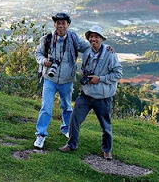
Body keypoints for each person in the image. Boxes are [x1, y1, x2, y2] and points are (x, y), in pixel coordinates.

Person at [59, 25, 122, 160]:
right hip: (86, 94)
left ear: (101, 39)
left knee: (106, 126)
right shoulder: (87, 52)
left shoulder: (110, 55)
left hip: (103, 97)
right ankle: (71, 144)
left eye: (96, 37)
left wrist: (100, 79)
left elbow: (118, 74)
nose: (93, 39)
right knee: (74, 120)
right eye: (91, 37)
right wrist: (84, 74)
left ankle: (107, 150)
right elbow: (84, 67)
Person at [34, 12, 90, 149]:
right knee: (46, 107)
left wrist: (106, 49)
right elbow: (38, 53)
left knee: (67, 106)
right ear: (54, 24)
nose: (60, 26)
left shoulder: (74, 39)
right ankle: (41, 135)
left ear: (68, 25)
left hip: (67, 79)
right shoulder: (47, 39)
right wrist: (44, 61)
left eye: (63, 23)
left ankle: (67, 129)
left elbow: (90, 47)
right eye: (58, 23)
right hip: (49, 78)